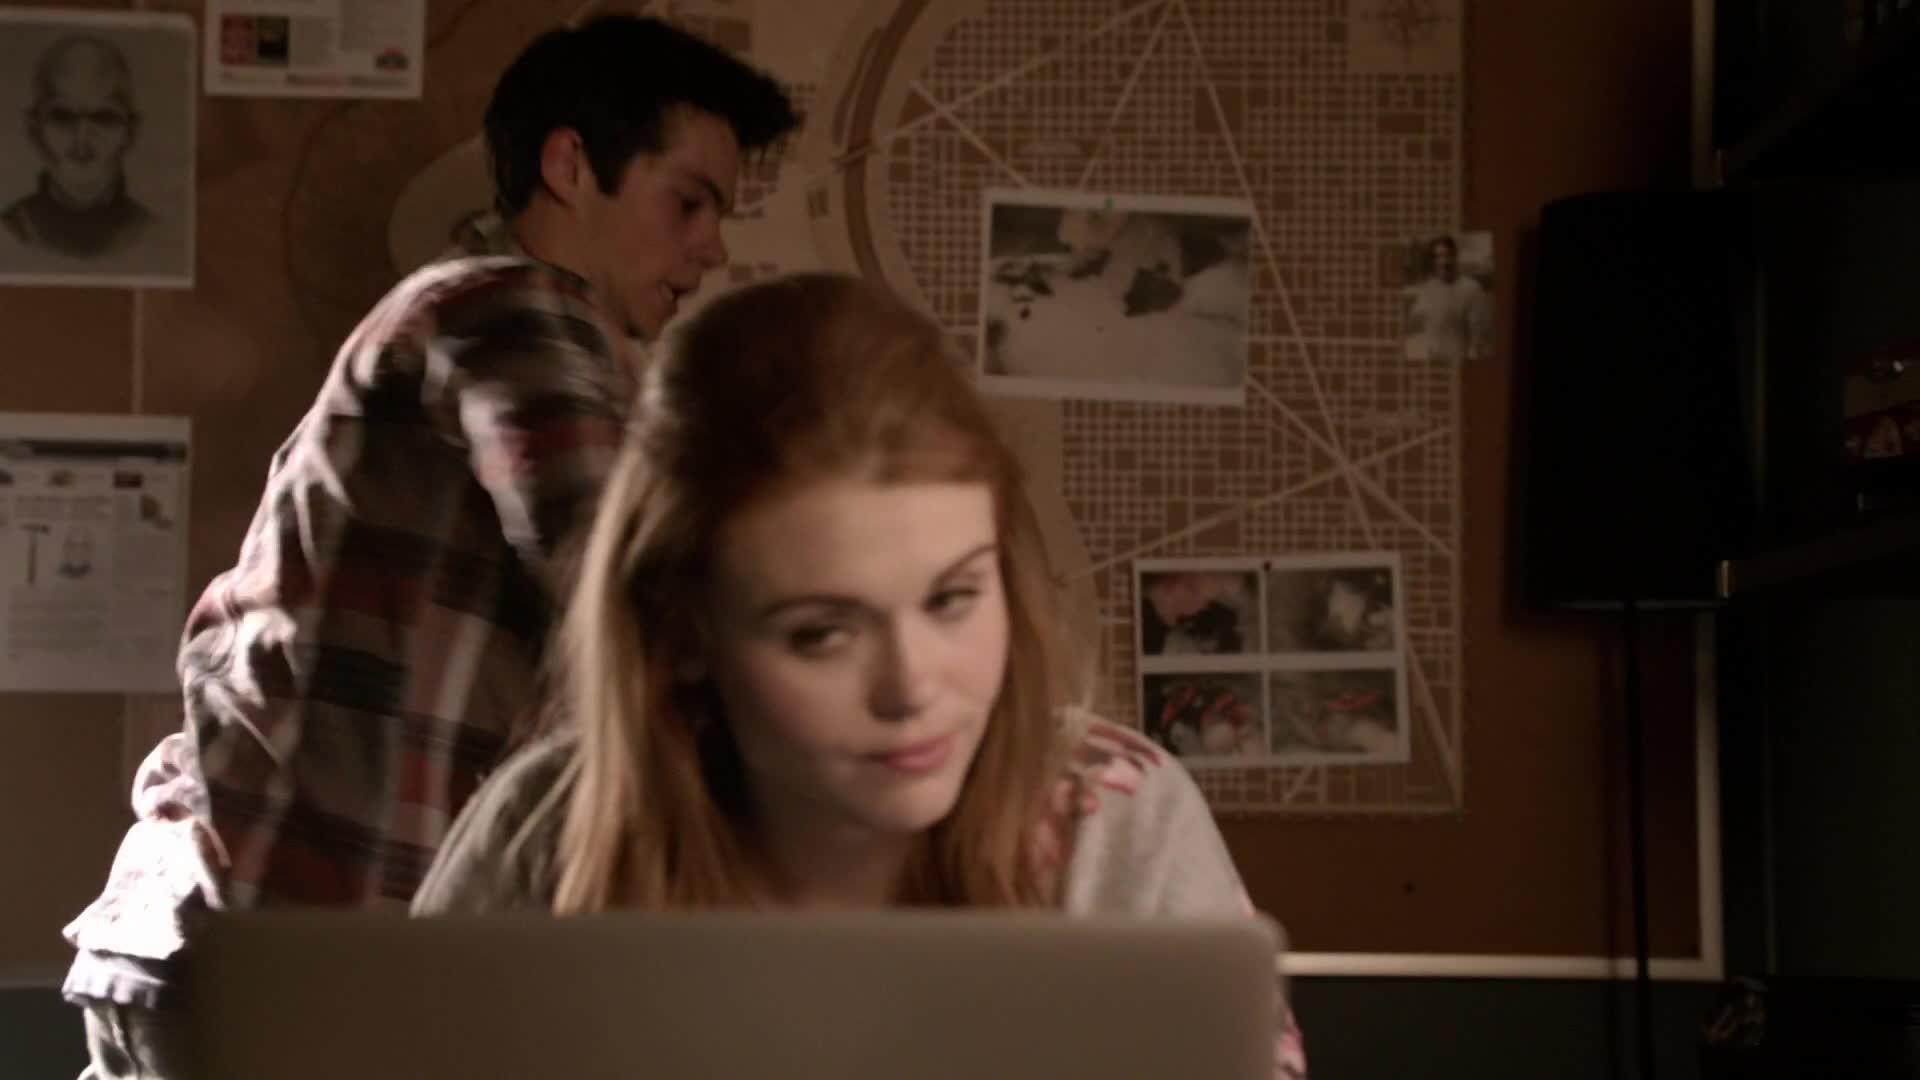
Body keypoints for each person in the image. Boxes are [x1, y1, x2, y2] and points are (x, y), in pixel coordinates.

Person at [61, 16, 797, 1079]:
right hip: (276, 964)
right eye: (689, 201)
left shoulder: (462, 316)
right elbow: (631, 584)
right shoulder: (513, 305)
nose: (712, 247)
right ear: (570, 166)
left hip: (222, 942)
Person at [410, 273, 1308, 1079]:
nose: (912, 689)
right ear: (685, 632)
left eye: (953, 599)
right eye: (822, 634)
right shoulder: (550, 832)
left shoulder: (1117, 825)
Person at [3, 34, 153, 258]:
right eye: (62, 117)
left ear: (131, 133)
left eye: (104, 117)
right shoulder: (11, 230)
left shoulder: (152, 234)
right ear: (34, 130)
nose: (82, 141)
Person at [1401, 233, 1492, 362]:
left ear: (1455, 256)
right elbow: (1416, 320)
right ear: (1433, 261)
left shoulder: (1472, 289)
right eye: (1439, 257)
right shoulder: (1428, 288)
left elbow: (1479, 337)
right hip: (1432, 357)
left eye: (1448, 255)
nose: (1444, 261)